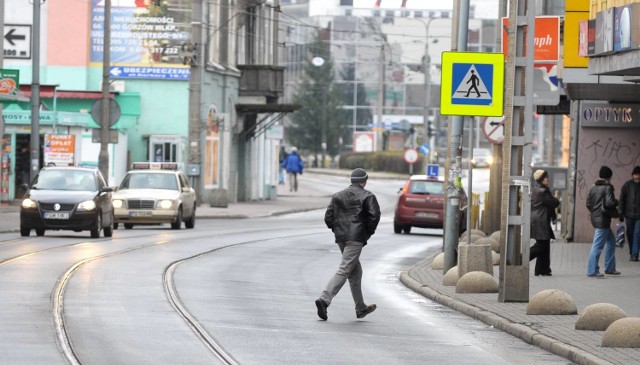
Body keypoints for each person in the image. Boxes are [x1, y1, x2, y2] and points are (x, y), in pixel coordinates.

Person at [315, 168, 381, 321]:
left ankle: (361, 308)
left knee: (355, 272)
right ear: (364, 181)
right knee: (345, 269)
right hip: (355, 238)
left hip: (342, 237)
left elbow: (328, 218)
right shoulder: (368, 196)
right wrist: (367, 233)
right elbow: (374, 216)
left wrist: (337, 230)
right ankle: (324, 299)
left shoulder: (338, 195)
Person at [586, 166, 621, 277]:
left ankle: (610, 268)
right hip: (603, 220)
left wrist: (595, 212)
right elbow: (610, 203)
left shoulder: (593, 187)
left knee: (611, 241)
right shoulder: (607, 187)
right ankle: (592, 270)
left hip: (596, 218)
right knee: (597, 245)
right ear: (609, 177)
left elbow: (588, 203)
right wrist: (616, 202)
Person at [529, 169, 560, 276]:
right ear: (541, 180)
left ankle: (542, 270)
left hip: (538, 219)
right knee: (541, 245)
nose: (548, 179)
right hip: (540, 221)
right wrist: (556, 199)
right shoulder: (543, 192)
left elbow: (549, 204)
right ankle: (521, 258)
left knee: (545, 245)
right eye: (546, 177)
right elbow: (554, 202)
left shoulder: (537, 190)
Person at [618, 165, 640, 261]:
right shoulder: (627, 185)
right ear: (633, 175)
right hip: (629, 215)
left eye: (639, 174)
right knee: (630, 234)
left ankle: (635, 254)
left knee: (637, 234)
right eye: (636, 174)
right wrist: (620, 213)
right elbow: (621, 200)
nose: (637, 176)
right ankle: (632, 252)